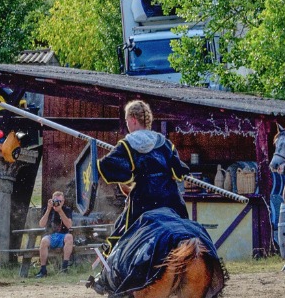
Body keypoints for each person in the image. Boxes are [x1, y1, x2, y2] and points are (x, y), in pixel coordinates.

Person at [97, 99, 190, 254]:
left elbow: (108, 165)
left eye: (127, 120)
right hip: (170, 198)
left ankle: (113, 257)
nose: (127, 124)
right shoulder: (165, 143)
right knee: (186, 228)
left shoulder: (127, 144)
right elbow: (178, 170)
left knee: (123, 230)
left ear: (133, 120)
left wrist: (96, 164)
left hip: (144, 200)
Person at [34, 190, 74, 278]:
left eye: (60, 201)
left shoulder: (67, 210)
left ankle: (64, 267)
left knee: (69, 237)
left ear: (63, 201)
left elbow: (69, 225)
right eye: (56, 201)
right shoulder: (47, 209)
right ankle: (43, 269)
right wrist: (48, 209)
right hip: (50, 235)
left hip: (63, 235)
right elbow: (41, 224)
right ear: (52, 200)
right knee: (43, 241)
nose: (58, 203)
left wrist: (60, 211)